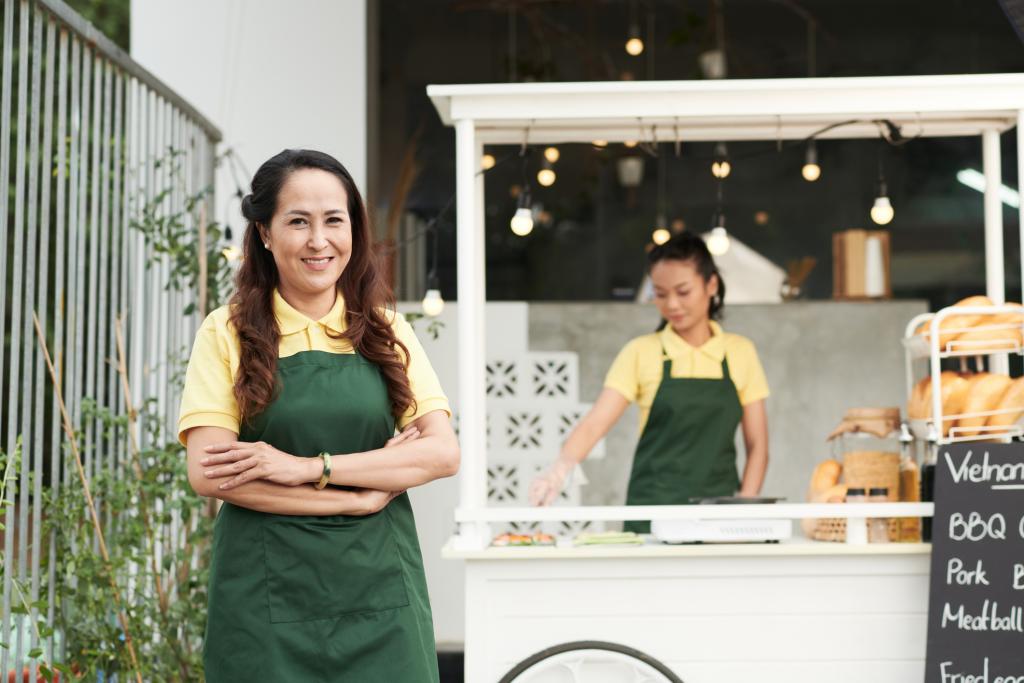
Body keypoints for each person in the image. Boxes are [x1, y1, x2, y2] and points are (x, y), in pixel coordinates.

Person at [177, 149, 459, 681]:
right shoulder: (227, 331)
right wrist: (357, 501)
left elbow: (441, 453)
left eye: (334, 220)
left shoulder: (386, 330)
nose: (318, 240)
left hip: (383, 602)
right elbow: (209, 473)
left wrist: (310, 468)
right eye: (297, 222)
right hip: (264, 607)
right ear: (264, 232)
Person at [529, 232, 769, 533]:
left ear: (711, 285)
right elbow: (594, 425)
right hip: (653, 510)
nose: (672, 305)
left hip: (719, 512)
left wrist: (744, 506)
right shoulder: (641, 352)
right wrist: (560, 468)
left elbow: (758, 444)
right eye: (660, 293)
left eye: (683, 292)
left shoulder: (739, 352)